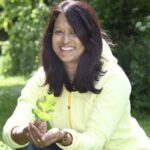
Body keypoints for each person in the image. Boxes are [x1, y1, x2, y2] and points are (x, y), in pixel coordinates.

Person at [2, 0, 150, 150]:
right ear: (50, 36)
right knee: (31, 147)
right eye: (58, 32)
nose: (65, 40)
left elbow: (96, 140)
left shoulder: (113, 78)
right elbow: (16, 121)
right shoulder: (44, 77)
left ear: (89, 37)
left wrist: (64, 137)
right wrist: (23, 132)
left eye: (74, 32)